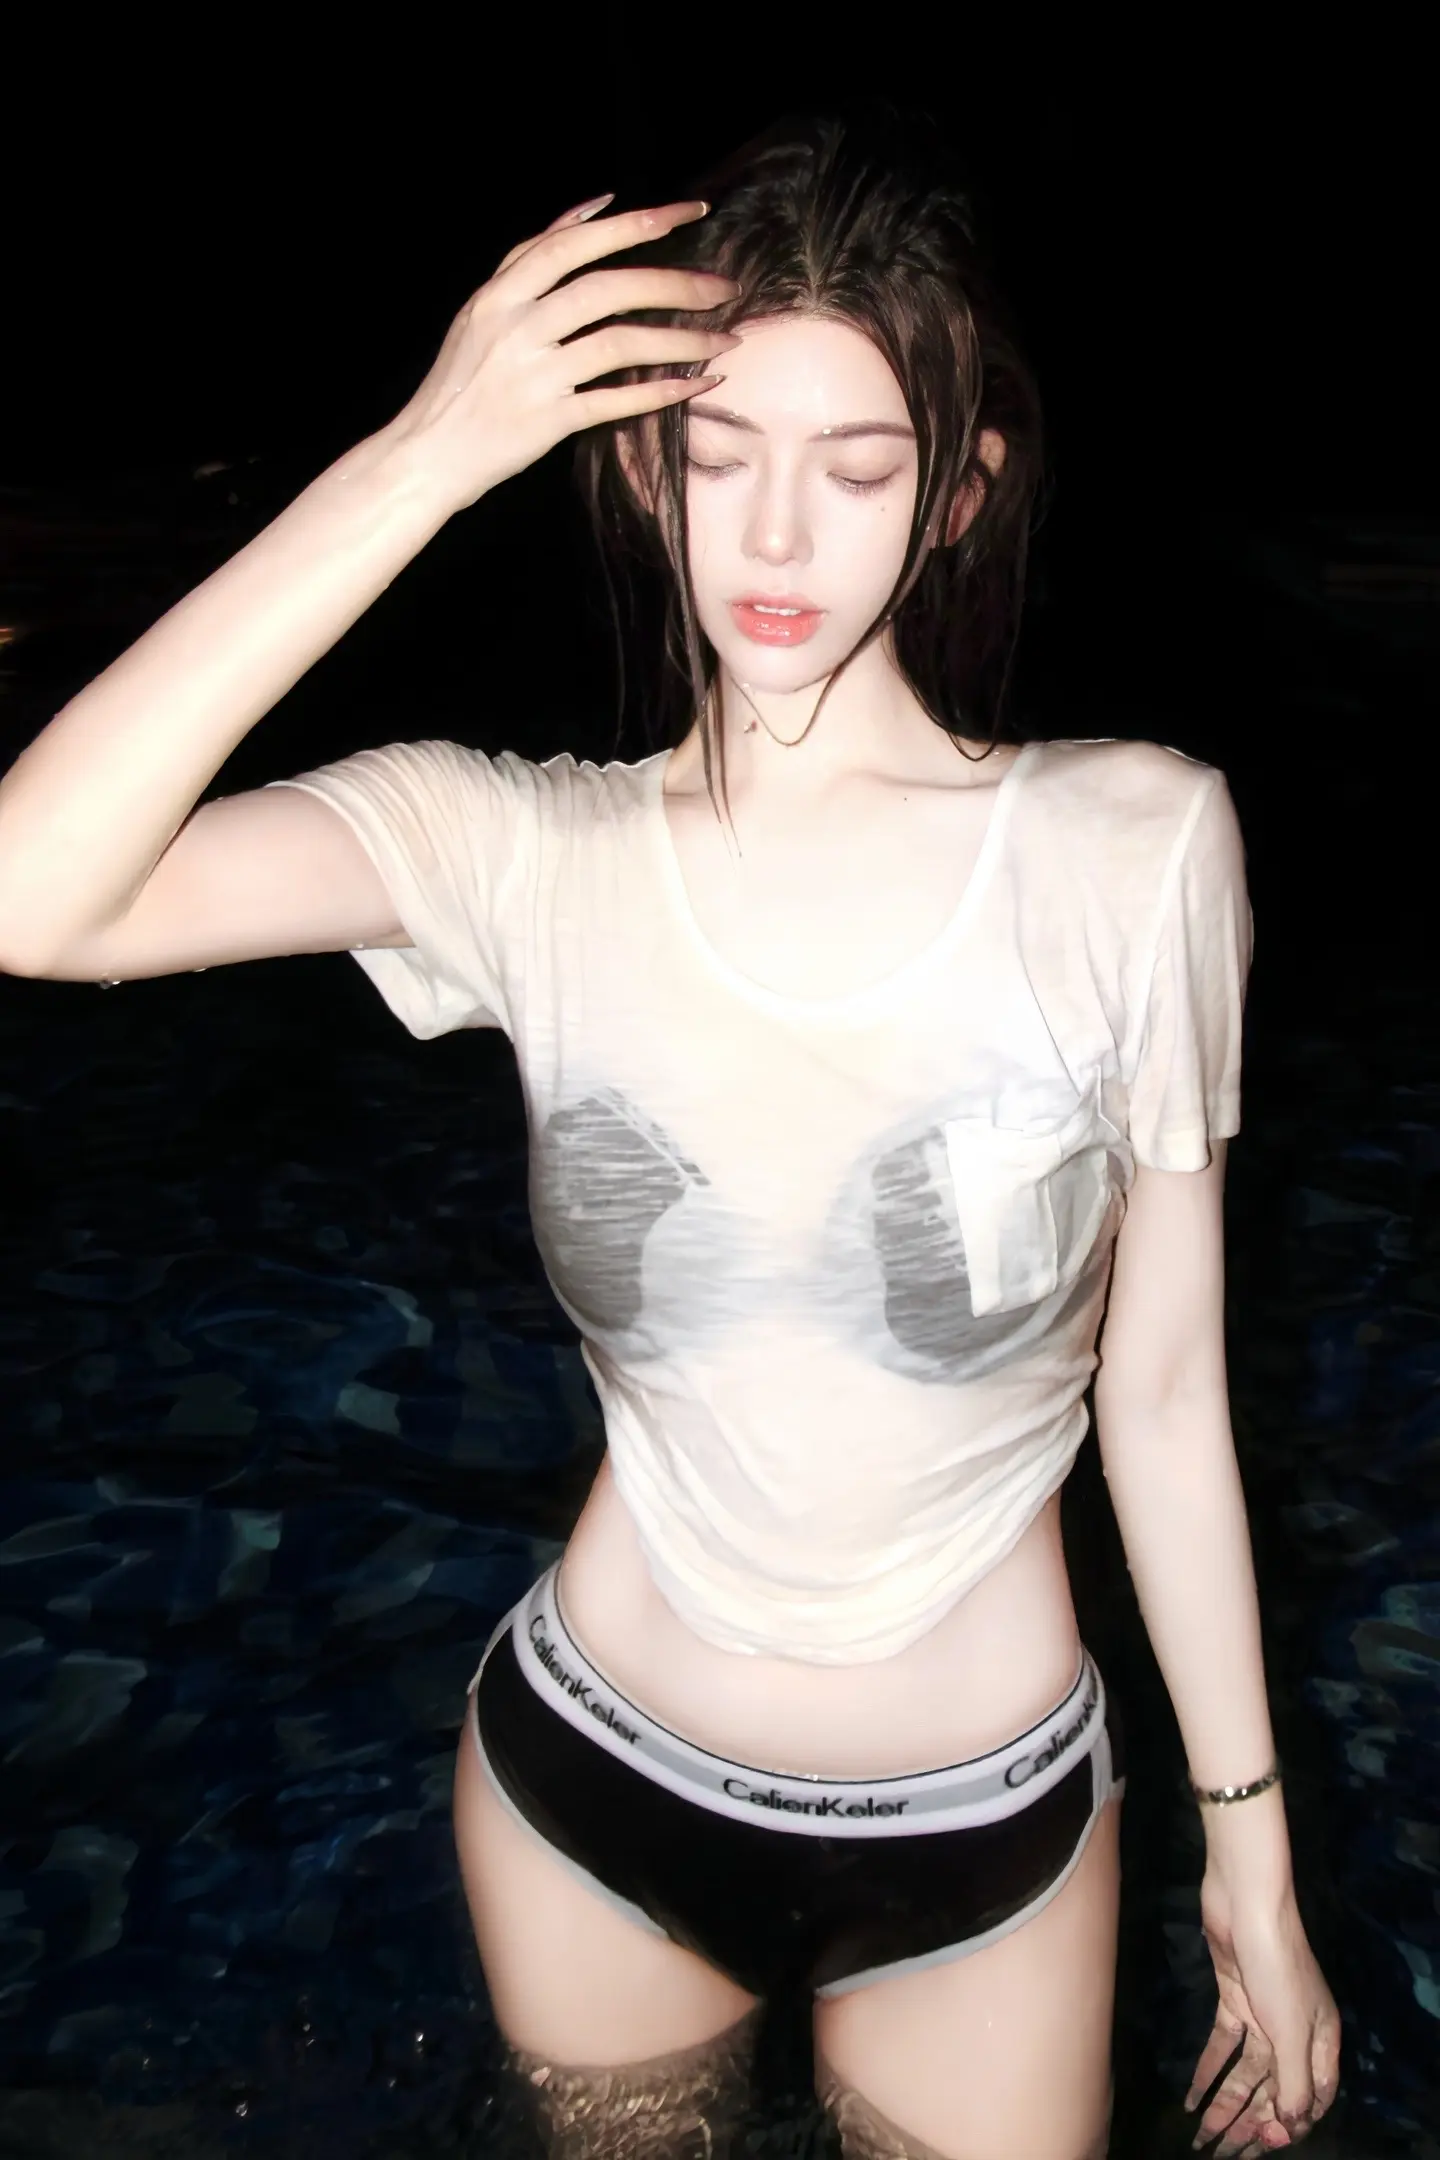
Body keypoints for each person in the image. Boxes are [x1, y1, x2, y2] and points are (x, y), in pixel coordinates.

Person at [0, 104, 1341, 2160]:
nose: (777, 539)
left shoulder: (1134, 847)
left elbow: (1159, 1391)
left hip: (983, 1826)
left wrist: (1252, 1853)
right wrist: (424, 453)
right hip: (589, 1784)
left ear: (960, 494)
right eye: (721, 458)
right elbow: (32, 893)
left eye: (858, 469)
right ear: (643, 467)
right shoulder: (520, 850)